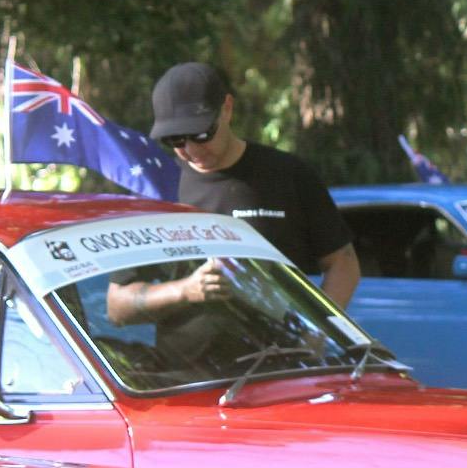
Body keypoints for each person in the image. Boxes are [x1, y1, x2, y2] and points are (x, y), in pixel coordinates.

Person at [124, 62, 360, 322]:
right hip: (184, 362)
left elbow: (343, 263)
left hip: (282, 357)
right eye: (175, 140)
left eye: (201, 134)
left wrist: (317, 332)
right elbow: (117, 306)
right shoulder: (157, 188)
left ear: (226, 109)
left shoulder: (287, 174)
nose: (191, 150)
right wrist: (183, 291)